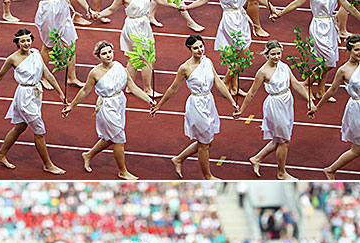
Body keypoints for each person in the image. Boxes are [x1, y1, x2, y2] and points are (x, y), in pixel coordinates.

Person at [62, 40, 153, 181]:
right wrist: (71, 106)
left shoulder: (120, 67)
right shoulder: (95, 73)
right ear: (98, 56)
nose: (108, 55)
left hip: (119, 103)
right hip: (106, 107)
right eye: (104, 53)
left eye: (110, 52)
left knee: (111, 138)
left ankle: (88, 155)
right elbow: (85, 90)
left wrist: (148, 99)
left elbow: (133, 87)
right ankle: (122, 172)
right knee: (119, 140)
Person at [151, 34, 237, 180]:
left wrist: (232, 101)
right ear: (189, 49)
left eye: (201, 46)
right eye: (196, 48)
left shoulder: (208, 61)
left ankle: (178, 159)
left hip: (209, 102)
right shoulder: (185, 68)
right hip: (196, 105)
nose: (200, 50)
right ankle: (207, 177)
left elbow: (219, 83)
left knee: (208, 141)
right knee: (204, 144)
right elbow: (173, 88)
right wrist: (159, 105)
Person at [185, 0, 278, 87]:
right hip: (229, 20)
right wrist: (188, 7)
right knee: (244, 56)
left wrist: (272, 8)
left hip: (242, 18)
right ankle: (225, 82)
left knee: (236, 56)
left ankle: (234, 88)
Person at [0, 27, 65, 173]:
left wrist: (61, 94)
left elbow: (48, 75)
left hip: (36, 94)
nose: (26, 43)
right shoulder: (12, 59)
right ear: (17, 43)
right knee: (39, 131)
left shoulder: (36, 53)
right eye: (23, 41)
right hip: (24, 96)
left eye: (28, 40)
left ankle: (1, 155)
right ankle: (48, 164)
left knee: (20, 126)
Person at [278, 0, 360, 92]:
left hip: (330, 27)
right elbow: (296, 3)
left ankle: (321, 91)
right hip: (318, 25)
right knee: (329, 61)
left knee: (325, 60)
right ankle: (307, 82)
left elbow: (348, 7)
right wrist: (280, 13)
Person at [236, 40, 309, 180]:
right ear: (267, 55)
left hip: (287, 101)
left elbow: (296, 85)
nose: (276, 57)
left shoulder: (284, 66)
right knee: (284, 140)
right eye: (273, 54)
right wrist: (241, 110)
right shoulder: (262, 72)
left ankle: (256, 158)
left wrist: (309, 101)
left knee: (280, 138)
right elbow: (251, 92)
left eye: (278, 53)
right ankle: (281, 173)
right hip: (275, 104)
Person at [96, 0, 174, 96]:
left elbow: (160, 0)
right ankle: (147, 89)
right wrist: (98, 14)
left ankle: (129, 86)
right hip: (133, 27)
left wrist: (176, 5)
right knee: (146, 57)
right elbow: (111, 9)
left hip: (144, 25)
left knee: (134, 58)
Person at [311, 37, 360, 179]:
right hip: (357, 109)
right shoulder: (343, 70)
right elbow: (331, 90)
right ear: (348, 50)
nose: (359, 52)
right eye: (356, 50)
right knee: (356, 150)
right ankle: (331, 170)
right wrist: (317, 107)